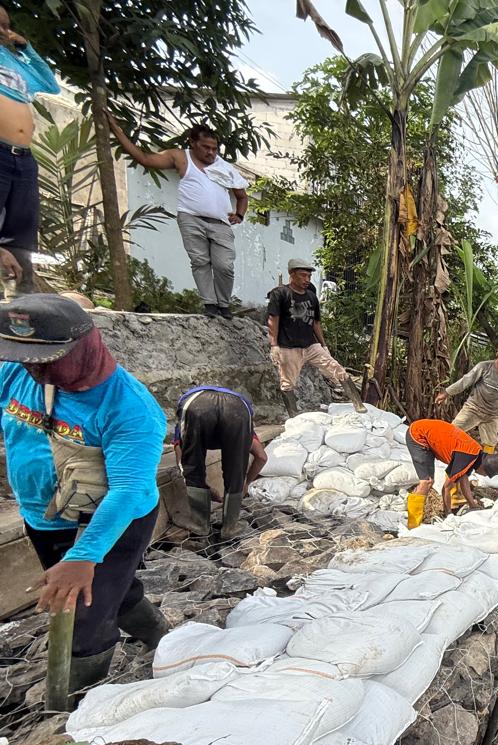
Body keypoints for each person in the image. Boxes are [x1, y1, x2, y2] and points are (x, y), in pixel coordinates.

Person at [0, 295, 168, 696]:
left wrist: (82, 556)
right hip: (44, 515)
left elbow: (127, 491)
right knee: (114, 589)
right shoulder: (18, 373)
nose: (34, 369)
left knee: (80, 615)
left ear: (87, 344)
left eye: (47, 360)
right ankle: (161, 636)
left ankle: (74, 710)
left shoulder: (130, 408)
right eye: (26, 357)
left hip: (114, 519)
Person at [108, 118, 249, 318]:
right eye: (205, 147)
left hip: (220, 222)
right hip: (190, 218)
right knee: (200, 261)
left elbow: (242, 196)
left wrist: (240, 215)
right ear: (192, 142)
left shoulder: (225, 167)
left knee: (224, 265)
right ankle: (210, 304)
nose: (210, 152)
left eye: (214, 148)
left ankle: (223, 304)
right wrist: (117, 130)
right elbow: (145, 159)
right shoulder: (181, 157)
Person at [0, 6, 58, 293]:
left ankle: (20, 302)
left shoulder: (15, 61)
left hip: (23, 157)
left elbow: (50, 84)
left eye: (6, 25)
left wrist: (27, 48)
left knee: (21, 230)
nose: (3, 31)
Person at [267, 259, 365, 416]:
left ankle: (358, 404)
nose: (306, 280)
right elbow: (273, 319)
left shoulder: (311, 297)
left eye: (309, 276)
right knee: (287, 383)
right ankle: (294, 416)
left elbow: (316, 323)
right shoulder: (280, 294)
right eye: (303, 276)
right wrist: (274, 345)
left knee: (337, 369)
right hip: (289, 347)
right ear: (292, 274)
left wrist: (323, 345)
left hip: (311, 345)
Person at [173, 386, 267, 538]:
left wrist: (201, 487)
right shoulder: (245, 422)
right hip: (237, 409)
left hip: (197, 406)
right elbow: (262, 457)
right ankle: (230, 527)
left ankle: (200, 524)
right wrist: (245, 483)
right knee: (236, 467)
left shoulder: (185, 417)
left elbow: (183, 461)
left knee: (192, 462)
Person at [404, 418, 498, 525]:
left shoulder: (475, 453)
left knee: (429, 481)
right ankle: (413, 524)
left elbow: (463, 479)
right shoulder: (466, 457)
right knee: (426, 482)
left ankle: (415, 515)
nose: (484, 476)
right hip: (418, 435)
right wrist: (448, 514)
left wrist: (473, 505)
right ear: (484, 468)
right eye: (486, 474)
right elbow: (446, 488)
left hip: (425, 433)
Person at [436, 343, 498, 452]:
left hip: (491, 414)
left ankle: (484, 465)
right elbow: (465, 381)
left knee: (490, 443)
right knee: (453, 430)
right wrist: (446, 393)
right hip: (474, 408)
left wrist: (496, 413)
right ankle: (439, 451)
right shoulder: (484, 367)